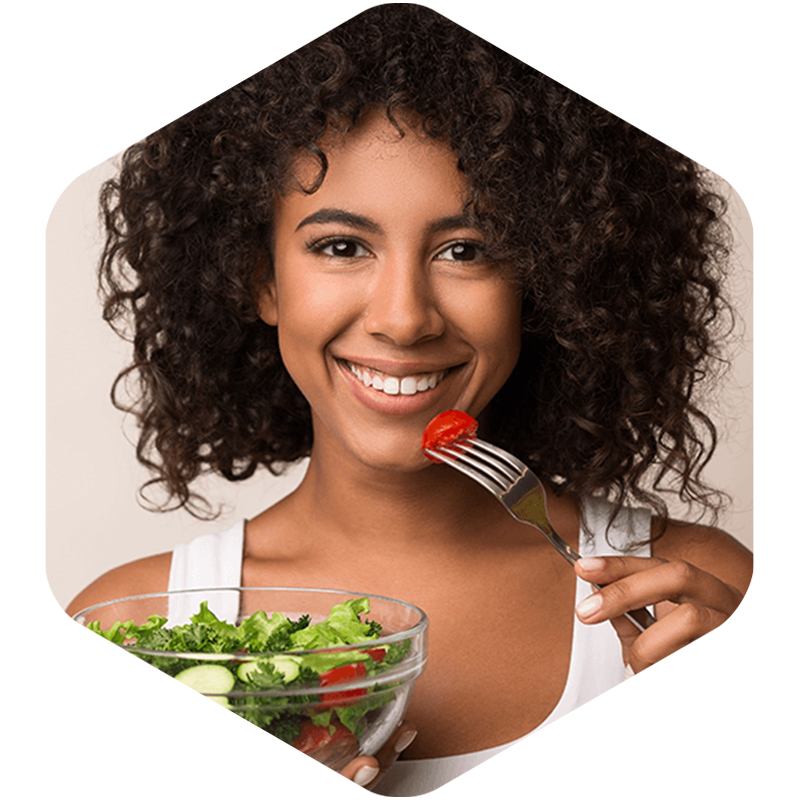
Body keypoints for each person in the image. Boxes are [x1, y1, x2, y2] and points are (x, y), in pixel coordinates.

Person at [45, 4, 753, 797]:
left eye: (466, 250)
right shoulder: (127, 657)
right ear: (260, 277)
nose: (403, 317)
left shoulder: (692, 603)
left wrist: (742, 783)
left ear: (549, 279)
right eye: (341, 246)